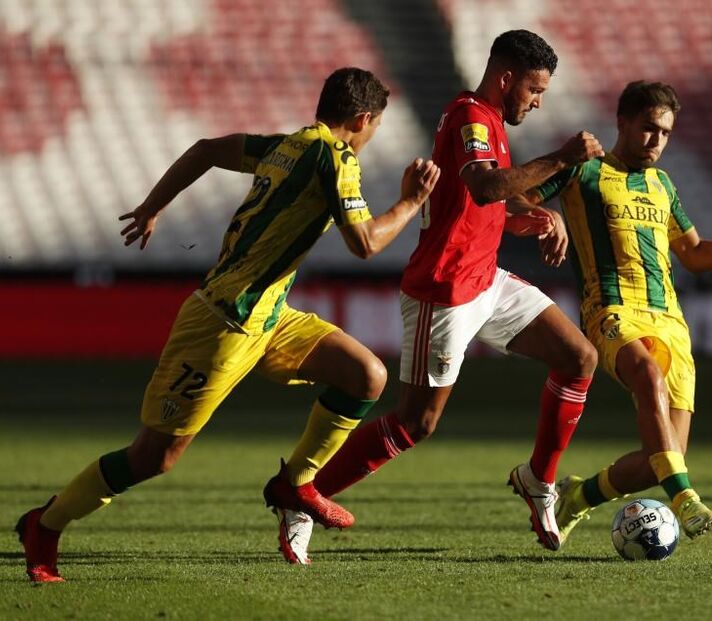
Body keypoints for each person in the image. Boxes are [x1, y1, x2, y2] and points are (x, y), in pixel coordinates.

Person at [15, 67, 441, 581]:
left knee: (365, 376)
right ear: (362, 119)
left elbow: (203, 149)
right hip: (222, 321)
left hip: (267, 317)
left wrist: (153, 207)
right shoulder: (335, 156)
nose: (372, 137)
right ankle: (47, 522)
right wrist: (412, 201)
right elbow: (365, 243)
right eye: (374, 127)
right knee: (154, 457)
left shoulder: (286, 146)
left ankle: (295, 484)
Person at [303, 29, 604, 554]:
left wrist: (531, 216)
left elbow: (487, 199)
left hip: (485, 278)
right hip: (444, 288)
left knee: (579, 356)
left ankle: (538, 479)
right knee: (416, 422)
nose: (537, 102)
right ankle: (305, 493)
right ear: (505, 78)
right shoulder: (470, 115)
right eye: (534, 91)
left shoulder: (489, 120)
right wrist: (561, 157)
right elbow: (485, 185)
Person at [519, 80, 712, 545]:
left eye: (666, 133)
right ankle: (684, 500)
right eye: (648, 129)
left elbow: (694, 254)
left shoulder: (663, 185)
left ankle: (578, 496)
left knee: (663, 455)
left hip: (670, 321)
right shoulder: (584, 170)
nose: (656, 141)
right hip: (611, 310)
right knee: (648, 379)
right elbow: (516, 196)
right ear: (623, 123)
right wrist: (546, 218)